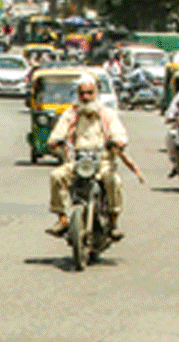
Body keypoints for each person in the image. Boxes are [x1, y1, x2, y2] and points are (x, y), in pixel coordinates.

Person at [46, 73, 131, 239]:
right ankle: (62, 219)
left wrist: (118, 141)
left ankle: (113, 221)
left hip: (102, 163)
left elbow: (118, 132)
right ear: (77, 94)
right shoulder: (71, 114)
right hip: (78, 162)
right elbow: (57, 134)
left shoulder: (106, 114)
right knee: (56, 176)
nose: (86, 97)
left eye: (90, 93)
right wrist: (55, 141)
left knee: (114, 181)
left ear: (96, 93)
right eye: (82, 93)